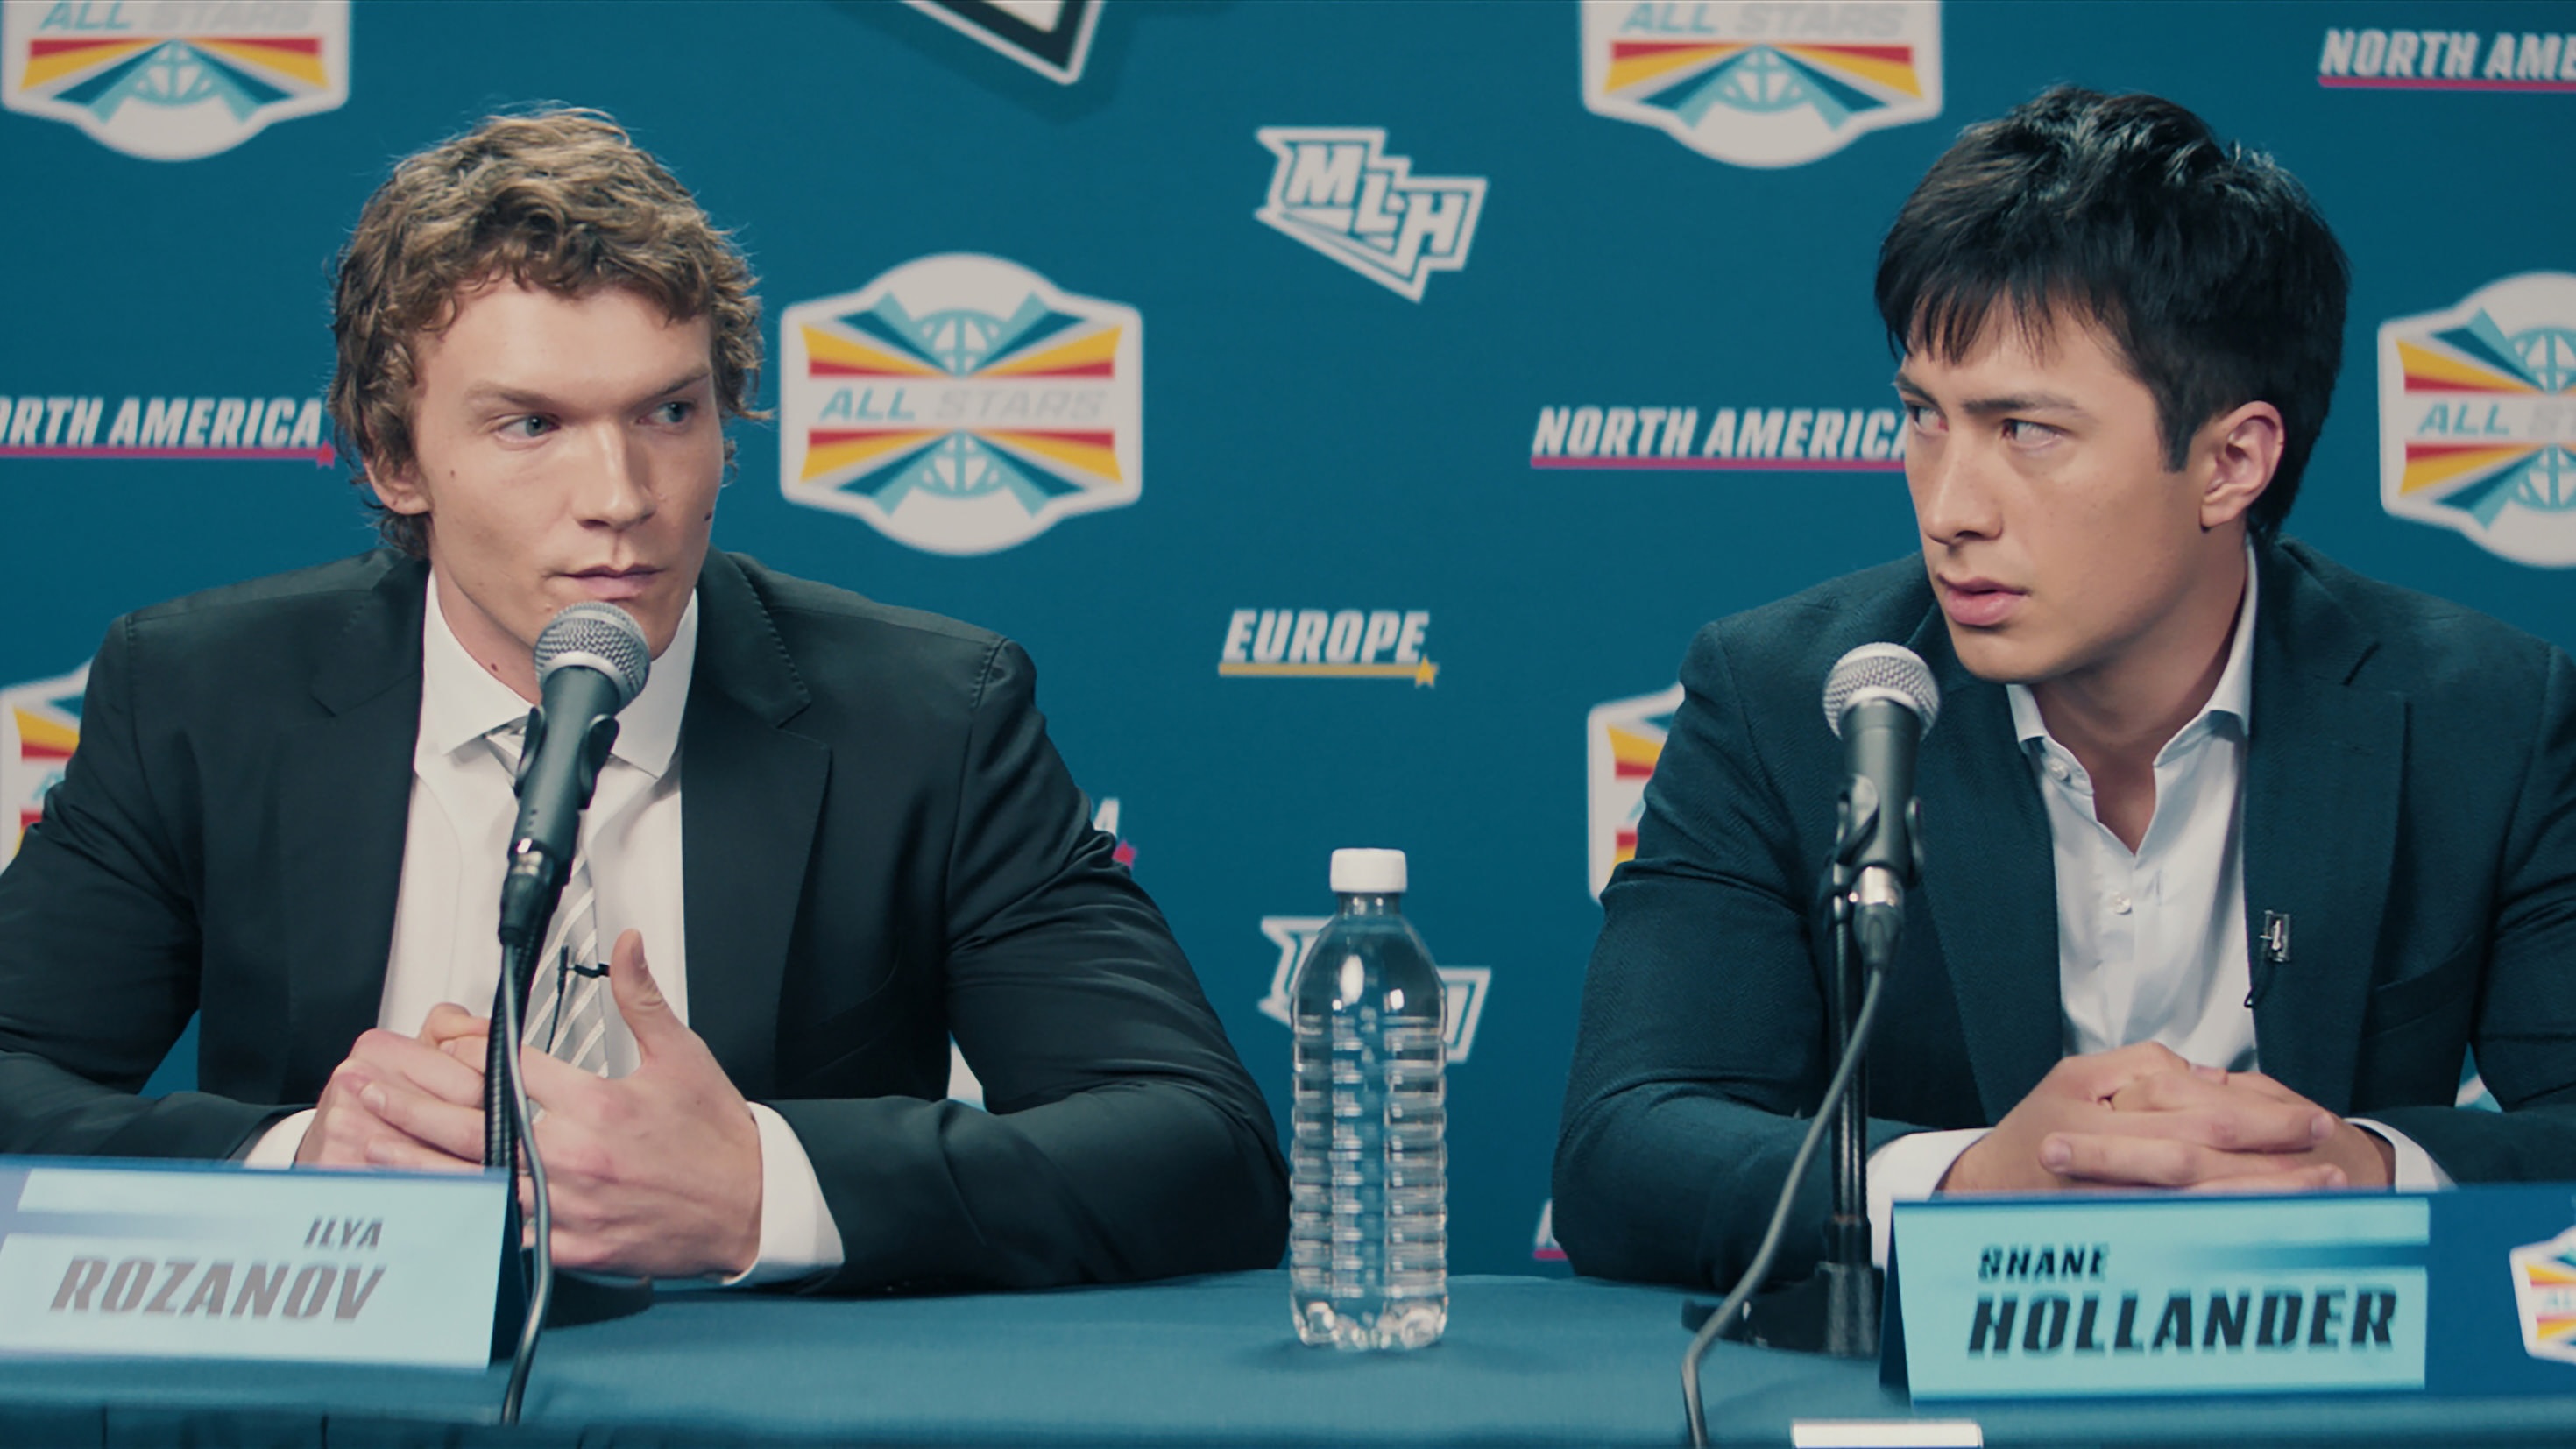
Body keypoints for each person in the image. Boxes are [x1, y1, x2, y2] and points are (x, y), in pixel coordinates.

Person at [0, 108, 1287, 1293]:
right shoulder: (202, 694)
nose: (621, 493)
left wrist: (763, 1188)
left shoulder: (931, 718)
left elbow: (1206, 1145)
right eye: (531, 425)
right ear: (395, 458)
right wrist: (296, 1164)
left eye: (670, 411)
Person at [1553, 86, 2576, 1290]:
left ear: (2232, 460)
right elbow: (1626, 1143)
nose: (1951, 507)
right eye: (1925, 419)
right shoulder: (1787, 697)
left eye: (2025, 430)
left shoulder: (2485, 715)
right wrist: (1969, 1182)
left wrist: (2365, 1168)